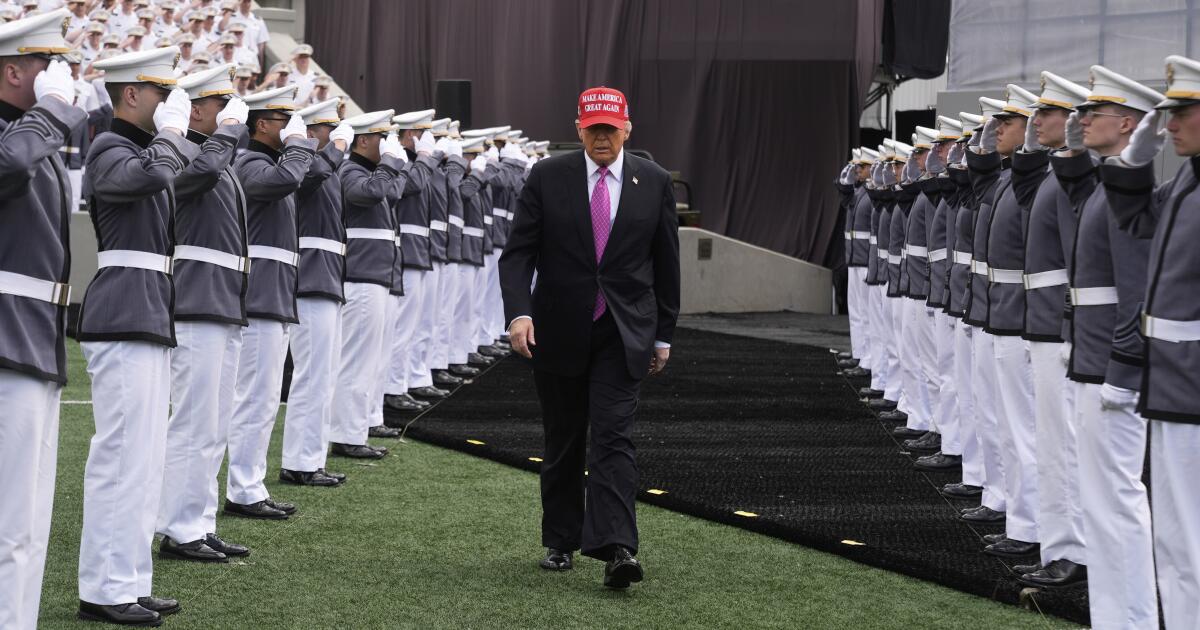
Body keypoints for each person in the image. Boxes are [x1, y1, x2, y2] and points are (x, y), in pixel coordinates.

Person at [500, 86, 680, 588]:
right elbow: (518, 254)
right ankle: (561, 539)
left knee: (614, 436)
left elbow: (667, 264)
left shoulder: (655, 181)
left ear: (628, 128)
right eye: (593, 127)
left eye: (610, 127)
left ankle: (618, 546)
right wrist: (518, 313)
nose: (602, 136)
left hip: (624, 332)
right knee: (564, 438)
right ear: (578, 128)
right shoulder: (548, 175)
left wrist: (663, 334)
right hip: (557, 328)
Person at [77, 45, 196, 626]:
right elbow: (149, 177)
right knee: (122, 456)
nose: (170, 103)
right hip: (123, 310)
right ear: (131, 94)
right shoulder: (108, 146)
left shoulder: (141, 148)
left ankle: (127, 579)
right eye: (161, 92)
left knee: (144, 459)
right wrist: (173, 136)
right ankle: (102, 587)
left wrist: (174, 138)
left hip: (147, 310)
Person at [1050, 64, 1162, 630]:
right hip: (1089, 358)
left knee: (1117, 500)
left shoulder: (1123, 196)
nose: (1082, 120)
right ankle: (1115, 615)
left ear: (1127, 124)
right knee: (1102, 501)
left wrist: (1121, 369)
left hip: (1107, 368)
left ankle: (1133, 619)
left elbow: (1135, 293)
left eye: (1094, 114)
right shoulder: (1104, 186)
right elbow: (1071, 186)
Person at [1102, 53, 1200, 630]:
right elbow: (1138, 220)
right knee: (1178, 540)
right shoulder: (1187, 179)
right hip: (1172, 384)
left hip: (1190, 386)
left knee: (1187, 543)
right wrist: (1135, 159)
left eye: (1182, 112)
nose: (1170, 126)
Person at [0, 11, 87, 629]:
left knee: (26, 524)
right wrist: (51, 113)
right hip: (7, 339)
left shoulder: (36, 142)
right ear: (11, 72)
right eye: (44, 66)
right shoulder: (25, 140)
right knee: (8, 524)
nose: (60, 77)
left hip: (36, 340)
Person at [155, 62, 253, 565]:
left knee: (214, 423)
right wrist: (231, 134)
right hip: (196, 301)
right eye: (222, 105)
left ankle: (199, 521)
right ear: (195, 110)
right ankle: (177, 526)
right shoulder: (187, 155)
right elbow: (200, 175)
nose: (233, 114)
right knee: (193, 422)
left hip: (222, 303)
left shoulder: (219, 158)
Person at [1012, 70, 1091, 589]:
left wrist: (1065, 327)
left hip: (1059, 328)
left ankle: (1071, 549)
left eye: (1047, 114)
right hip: (1041, 323)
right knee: (1050, 439)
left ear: (1073, 122)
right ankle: (1055, 540)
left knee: (1063, 443)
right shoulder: (1050, 176)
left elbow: (1079, 260)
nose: (1036, 122)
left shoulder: (1071, 181)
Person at [224, 84, 316, 521]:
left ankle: (249, 483)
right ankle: (242, 489)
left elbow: (310, 173)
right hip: (260, 293)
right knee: (254, 398)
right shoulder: (249, 162)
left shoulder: (271, 162)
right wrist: (298, 145)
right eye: (285, 121)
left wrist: (299, 145)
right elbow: (289, 177)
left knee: (262, 397)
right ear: (262, 125)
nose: (293, 128)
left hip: (275, 291)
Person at [282, 96, 355, 483]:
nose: (337, 134)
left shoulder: (325, 167)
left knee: (324, 373)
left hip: (325, 277)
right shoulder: (306, 164)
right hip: (310, 278)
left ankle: (311, 457)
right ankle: (299, 460)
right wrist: (336, 149)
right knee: (312, 373)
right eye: (330, 128)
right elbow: (309, 176)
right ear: (311, 134)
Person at [326, 108, 406, 458]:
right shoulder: (348, 170)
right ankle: (346, 435)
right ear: (363, 141)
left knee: (370, 359)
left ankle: (355, 428)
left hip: (378, 275)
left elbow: (396, 190)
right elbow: (369, 194)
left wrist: (389, 162)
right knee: (357, 359)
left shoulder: (373, 171)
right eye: (381, 137)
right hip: (360, 275)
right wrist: (389, 162)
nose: (388, 143)